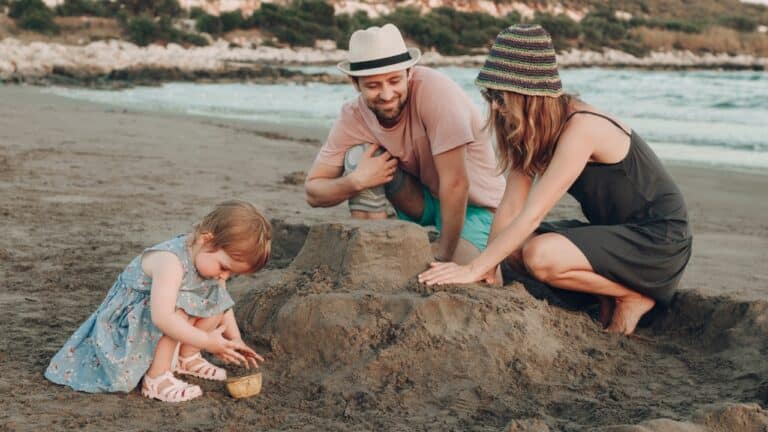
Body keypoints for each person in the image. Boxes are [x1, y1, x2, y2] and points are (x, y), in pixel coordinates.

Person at [419, 25, 693, 335]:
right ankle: (606, 291)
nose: (494, 105)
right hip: (615, 234)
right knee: (512, 249)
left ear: (528, 95)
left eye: (500, 95)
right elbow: (510, 207)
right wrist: (490, 268)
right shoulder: (530, 131)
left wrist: (472, 268)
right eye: (489, 94)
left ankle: (629, 295)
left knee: (539, 255)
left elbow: (532, 214)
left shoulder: (582, 128)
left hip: (658, 240)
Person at [305, 23, 506, 265]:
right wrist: (356, 181)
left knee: (447, 274)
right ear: (354, 83)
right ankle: (369, 255)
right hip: (421, 200)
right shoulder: (353, 115)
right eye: (373, 85)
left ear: (409, 72)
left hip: (477, 207)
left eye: (394, 81)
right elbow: (313, 192)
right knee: (359, 158)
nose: (387, 94)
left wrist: (442, 256)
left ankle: (444, 248)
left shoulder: (436, 93)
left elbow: (456, 184)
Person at [45, 200, 270, 402]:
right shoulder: (170, 261)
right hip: (131, 326)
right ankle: (156, 379)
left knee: (213, 299)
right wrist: (207, 341)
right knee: (178, 312)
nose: (224, 277)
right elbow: (162, 317)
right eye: (224, 267)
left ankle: (187, 357)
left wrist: (236, 339)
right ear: (206, 239)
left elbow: (222, 302)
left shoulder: (207, 262)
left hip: (159, 321)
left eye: (232, 274)